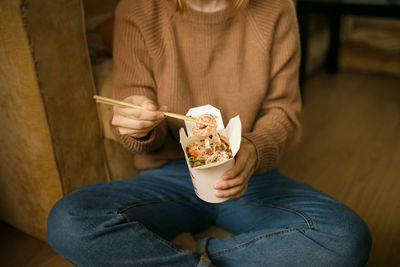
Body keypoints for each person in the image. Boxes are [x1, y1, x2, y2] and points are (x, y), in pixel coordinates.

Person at [47, 0, 372, 266]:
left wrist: (253, 151)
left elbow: (283, 114)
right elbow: (133, 119)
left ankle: (197, 254)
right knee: (68, 221)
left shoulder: (276, 9)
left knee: (345, 238)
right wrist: (140, 126)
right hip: (168, 176)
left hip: (248, 175)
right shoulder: (138, 9)